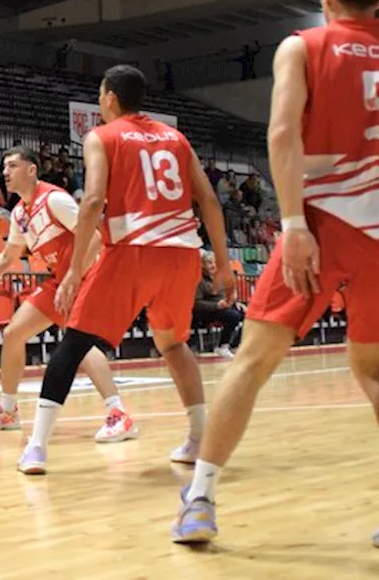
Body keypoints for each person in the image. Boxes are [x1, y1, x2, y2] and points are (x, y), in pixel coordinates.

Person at [172, 0, 379, 548]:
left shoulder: (303, 47)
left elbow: (281, 134)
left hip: (323, 224)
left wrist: (295, 223)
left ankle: (199, 499)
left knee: (252, 360)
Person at [17, 64, 234, 475]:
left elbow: (94, 200)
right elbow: (209, 200)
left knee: (75, 342)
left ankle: (37, 448)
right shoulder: (176, 138)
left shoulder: (101, 137)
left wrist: (74, 271)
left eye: (100, 94)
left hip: (133, 251)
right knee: (173, 345)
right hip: (182, 254)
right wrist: (222, 265)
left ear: (110, 97)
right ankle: (198, 438)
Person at [0, 147, 132, 438]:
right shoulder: (19, 213)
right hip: (59, 280)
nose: (5, 172)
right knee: (13, 333)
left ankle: (119, 414)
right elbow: (7, 257)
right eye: (4, 167)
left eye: (12, 166)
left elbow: (95, 237)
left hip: (86, 276)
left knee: (79, 344)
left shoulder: (55, 200)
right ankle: (8, 410)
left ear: (31, 169)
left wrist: (75, 277)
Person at [193, 251, 245, 358]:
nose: (213, 265)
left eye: (214, 263)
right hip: (206, 312)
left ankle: (235, 344)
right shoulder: (198, 280)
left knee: (249, 315)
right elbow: (197, 304)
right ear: (202, 265)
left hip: (223, 307)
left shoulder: (220, 277)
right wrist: (217, 305)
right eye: (209, 263)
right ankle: (223, 346)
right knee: (232, 316)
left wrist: (236, 303)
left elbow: (226, 295)